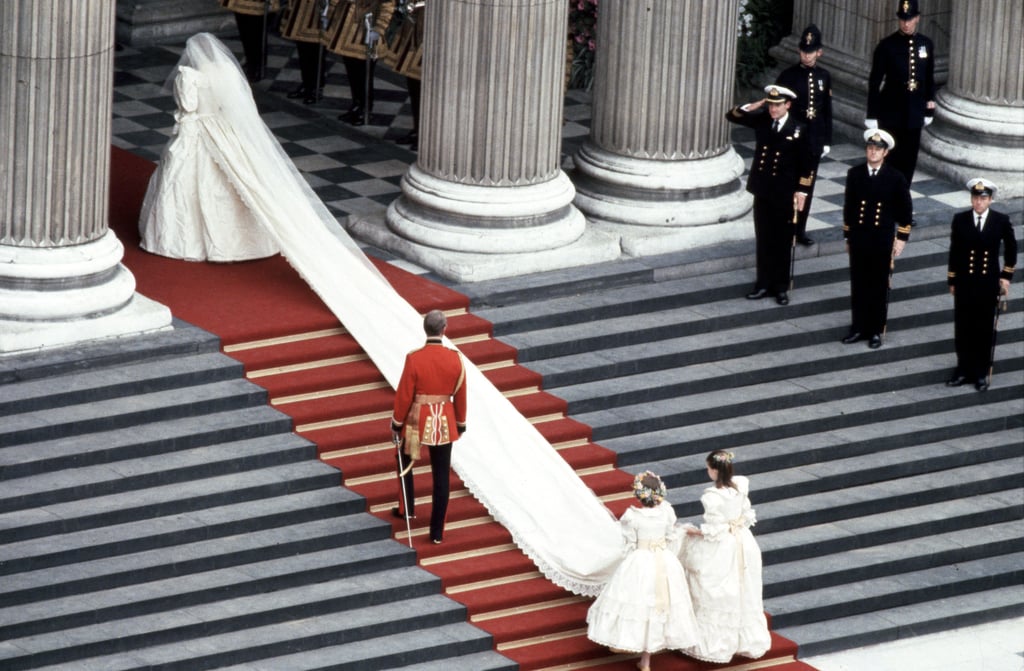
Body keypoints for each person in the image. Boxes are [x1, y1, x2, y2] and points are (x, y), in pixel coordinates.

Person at [139, 38, 279, 261]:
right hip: (222, 127)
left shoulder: (190, 76)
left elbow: (188, 106)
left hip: (196, 129)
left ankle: (188, 241)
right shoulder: (227, 71)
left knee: (185, 180)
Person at [586, 471, 699, 671]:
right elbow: (671, 535)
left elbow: (629, 543)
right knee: (655, 606)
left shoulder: (633, 516)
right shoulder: (666, 513)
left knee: (637, 603)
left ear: (639, 495)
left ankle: (631, 644)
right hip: (664, 561)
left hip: (641, 561)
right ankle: (646, 660)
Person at [726, 85, 816, 306]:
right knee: (764, 238)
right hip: (763, 189)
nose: (773, 109)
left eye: (777, 105)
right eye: (771, 104)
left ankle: (780, 287)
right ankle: (763, 284)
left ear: (788, 105)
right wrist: (754, 105)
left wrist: (802, 191)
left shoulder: (799, 129)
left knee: (783, 240)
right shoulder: (764, 120)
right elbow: (733, 115)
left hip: (785, 192)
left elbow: (808, 165)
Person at [678, 451, 771, 664]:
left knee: (717, 589)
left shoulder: (712, 496)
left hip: (725, 545)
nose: (707, 472)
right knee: (742, 588)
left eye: (708, 468)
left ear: (715, 470)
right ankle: (742, 641)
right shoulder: (740, 485)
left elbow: (715, 528)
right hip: (743, 541)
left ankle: (717, 646)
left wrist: (693, 532)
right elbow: (745, 515)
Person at [390, 310, 467, 544]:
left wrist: (397, 422)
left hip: (416, 419)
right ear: (444, 329)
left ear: (426, 329)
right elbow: (460, 393)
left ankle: (407, 508)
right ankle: (436, 532)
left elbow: (404, 394)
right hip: (444, 419)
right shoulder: (455, 358)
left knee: (405, 461)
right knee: (441, 475)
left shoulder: (414, 358)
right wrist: (460, 422)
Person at [840, 129, 913, 349]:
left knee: (878, 286)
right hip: (860, 237)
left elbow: (905, 212)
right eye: (870, 148)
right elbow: (849, 207)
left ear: (885, 153)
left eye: (878, 149)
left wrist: (901, 239)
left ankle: (875, 330)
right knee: (859, 284)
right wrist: (848, 237)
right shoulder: (855, 174)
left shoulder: (895, 178)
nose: (873, 152)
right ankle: (858, 327)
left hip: (882, 239)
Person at [945, 178, 1017, 392]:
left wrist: (1005, 276)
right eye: (975, 198)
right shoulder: (960, 220)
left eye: (983, 198)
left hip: (987, 283)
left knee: (984, 328)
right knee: (963, 327)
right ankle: (963, 369)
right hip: (965, 282)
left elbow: (1011, 249)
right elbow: (955, 251)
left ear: (990, 200)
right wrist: (952, 278)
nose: (978, 202)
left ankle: (980, 372)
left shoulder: (1000, 221)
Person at [865, 0, 936, 185]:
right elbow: (875, 81)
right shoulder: (887, 46)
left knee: (909, 159)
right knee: (891, 159)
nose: (906, 23)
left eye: (910, 19)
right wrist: (872, 114)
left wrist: (929, 108)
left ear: (917, 19)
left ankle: (903, 201)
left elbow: (928, 78)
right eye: (903, 19)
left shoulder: (926, 44)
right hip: (891, 112)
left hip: (914, 113)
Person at [777, 23, 833, 247]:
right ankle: (785, 228)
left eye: (810, 51)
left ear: (819, 52)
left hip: (813, 141)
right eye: (803, 50)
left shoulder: (824, 76)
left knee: (806, 186)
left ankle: (800, 229)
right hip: (793, 140)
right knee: (789, 185)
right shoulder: (788, 75)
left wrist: (827, 139)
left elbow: (827, 109)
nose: (806, 55)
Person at [325, 0, 395, 125]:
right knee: (352, 72)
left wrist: (379, 28)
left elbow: (387, 5)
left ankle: (366, 109)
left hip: (367, 28)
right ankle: (356, 104)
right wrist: (330, 12)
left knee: (364, 76)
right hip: (348, 29)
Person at [279, 0, 333, 104]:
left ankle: (316, 88)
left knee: (316, 50)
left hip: (320, 9)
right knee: (303, 47)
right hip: (303, 8)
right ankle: (306, 84)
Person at [220, 0, 281, 83]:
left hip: (258, 4)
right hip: (240, 2)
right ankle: (250, 62)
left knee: (256, 33)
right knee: (245, 32)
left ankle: (258, 68)